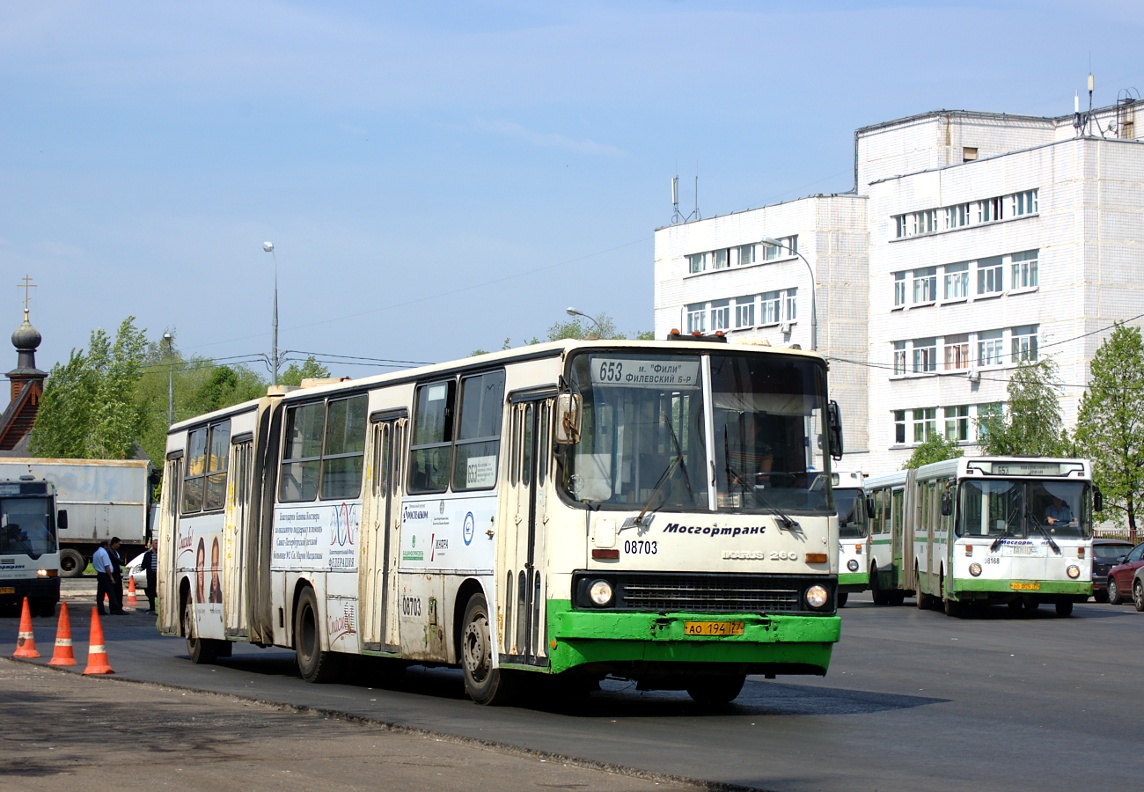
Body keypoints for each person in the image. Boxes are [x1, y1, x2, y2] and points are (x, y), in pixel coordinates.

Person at [92, 540, 115, 616]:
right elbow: (107, 566)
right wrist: (111, 577)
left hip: (100, 574)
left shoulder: (96, 553)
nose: (109, 547)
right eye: (108, 545)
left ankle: (101, 609)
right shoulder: (104, 553)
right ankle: (115, 609)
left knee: (100, 593)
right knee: (111, 593)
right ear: (105, 546)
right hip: (105, 575)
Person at [108, 536, 126, 614]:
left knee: (118, 592)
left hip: (117, 573)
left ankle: (117, 607)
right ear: (114, 543)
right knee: (116, 592)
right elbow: (117, 560)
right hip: (115, 574)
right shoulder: (111, 551)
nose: (119, 545)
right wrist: (121, 561)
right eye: (118, 544)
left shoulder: (115, 551)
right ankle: (116, 608)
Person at [141, 538, 158, 613]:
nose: (156, 545)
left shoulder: (161, 554)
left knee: (157, 591)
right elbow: (144, 564)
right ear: (152, 544)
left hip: (158, 576)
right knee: (150, 591)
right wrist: (141, 568)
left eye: (157, 543)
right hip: (151, 575)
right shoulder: (148, 554)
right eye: (155, 543)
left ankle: (157, 607)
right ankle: (152, 606)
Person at [208, 537, 222, 604]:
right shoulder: (208, 597)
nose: (214, 574)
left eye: (216, 565)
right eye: (213, 565)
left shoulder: (222, 597)